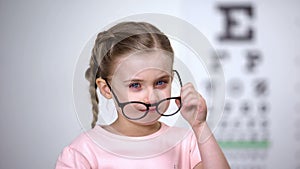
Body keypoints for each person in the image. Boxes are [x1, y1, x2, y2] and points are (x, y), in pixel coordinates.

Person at [56, 21, 230, 169]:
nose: (152, 98)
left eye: (160, 82)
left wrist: (200, 126)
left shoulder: (187, 143)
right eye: (136, 85)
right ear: (106, 89)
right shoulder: (83, 152)